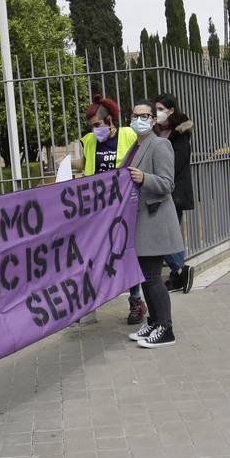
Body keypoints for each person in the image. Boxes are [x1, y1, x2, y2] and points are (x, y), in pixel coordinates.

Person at [72, 94, 145, 324]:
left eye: (98, 125)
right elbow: (87, 169)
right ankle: (88, 303)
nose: (95, 130)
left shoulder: (129, 136)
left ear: (111, 121)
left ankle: (136, 301)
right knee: (96, 254)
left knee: (127, 252)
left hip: (126, 206)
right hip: (100, 209)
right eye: (92, 126)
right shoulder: (90, 142)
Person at [124, 101, 184, 348]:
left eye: (145, 115)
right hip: (141, 223)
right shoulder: (135, 147)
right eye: (136, 115)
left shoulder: (160, 145)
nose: (140, 119)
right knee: (146, 276)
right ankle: (154, 321)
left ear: (153, 119)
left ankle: (166, 328)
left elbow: (167, 184)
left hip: (155, 220)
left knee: (152, 276)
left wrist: (143, 178)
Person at [154, 95, 194, 293]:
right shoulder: (158, 131)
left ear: (170, 110)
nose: (157, 112)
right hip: (160, 190)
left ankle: (180, 270)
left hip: (173, 191)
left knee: (166, 234)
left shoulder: (180, 133)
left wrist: (158, 175)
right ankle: (178, 275)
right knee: (168, 233)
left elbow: (178, 161)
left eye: (160, 108)